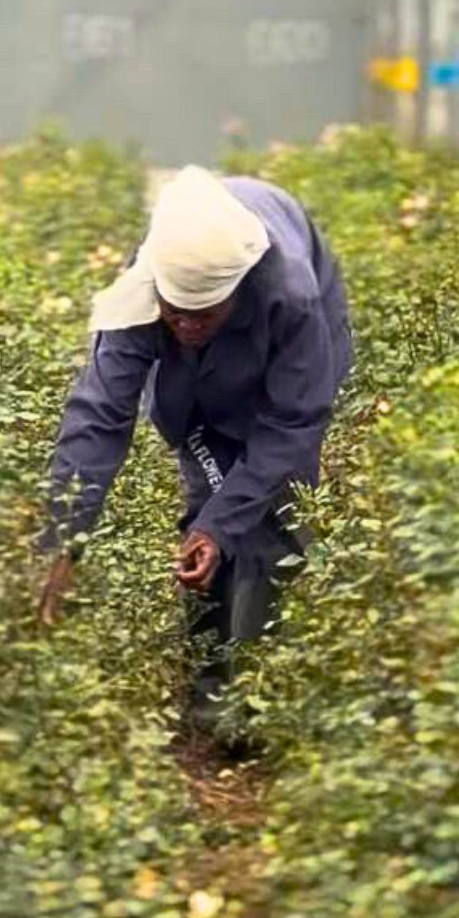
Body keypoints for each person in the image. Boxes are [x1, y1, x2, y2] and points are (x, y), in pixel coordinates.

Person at [33, 165, 352, 720]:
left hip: (282, 368)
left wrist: (228, 524)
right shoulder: (146, 283)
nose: (185, 325)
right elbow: (100, 416)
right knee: (207, 500)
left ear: (233, 296)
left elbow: (293, 422)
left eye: (202, 315)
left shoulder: (290, 294)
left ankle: (256, 694)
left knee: (274, 521)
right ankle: (208, 686)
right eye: (173, 314)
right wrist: (65, 536)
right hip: (197, 385)